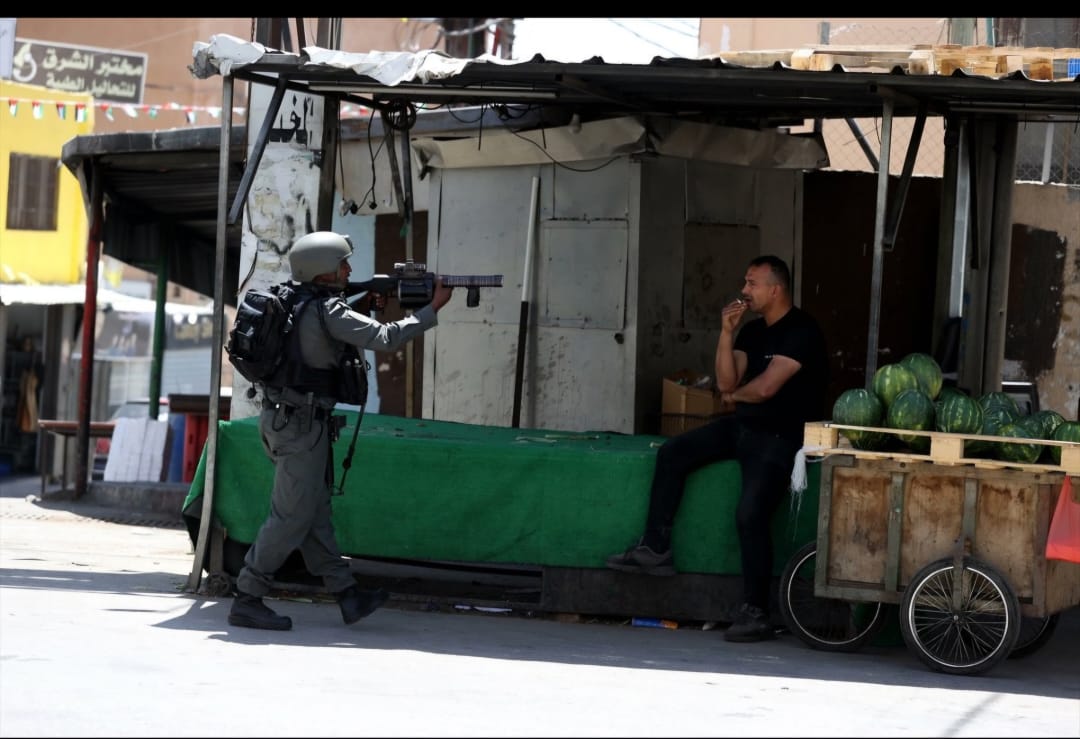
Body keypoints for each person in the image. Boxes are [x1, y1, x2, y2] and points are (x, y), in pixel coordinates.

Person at [228, 231, 454, 631]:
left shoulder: (300, 302)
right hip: (300, 426)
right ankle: (247, 595)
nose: (350, 269)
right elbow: (385, 337)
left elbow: (324, 334)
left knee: (313, 514)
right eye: (343, 264)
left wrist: (363, 303)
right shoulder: (328, 311)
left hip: (288, 422)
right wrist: (432, 308)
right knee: (289, 518)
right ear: (324, 272)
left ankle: (347, 594)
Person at [606, 255, 828, 643]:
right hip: (743, 426)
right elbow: (729, 377)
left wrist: (731, 396)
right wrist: (726, 333)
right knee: (672, 453)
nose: (744, 290)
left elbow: (764, 389)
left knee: (749, 515)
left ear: (775, 289)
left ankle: (756, 611)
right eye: (745, 282)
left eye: (752, 283)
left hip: (781, 436)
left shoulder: (803, 331)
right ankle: (655, 547)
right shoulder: (752, 331)